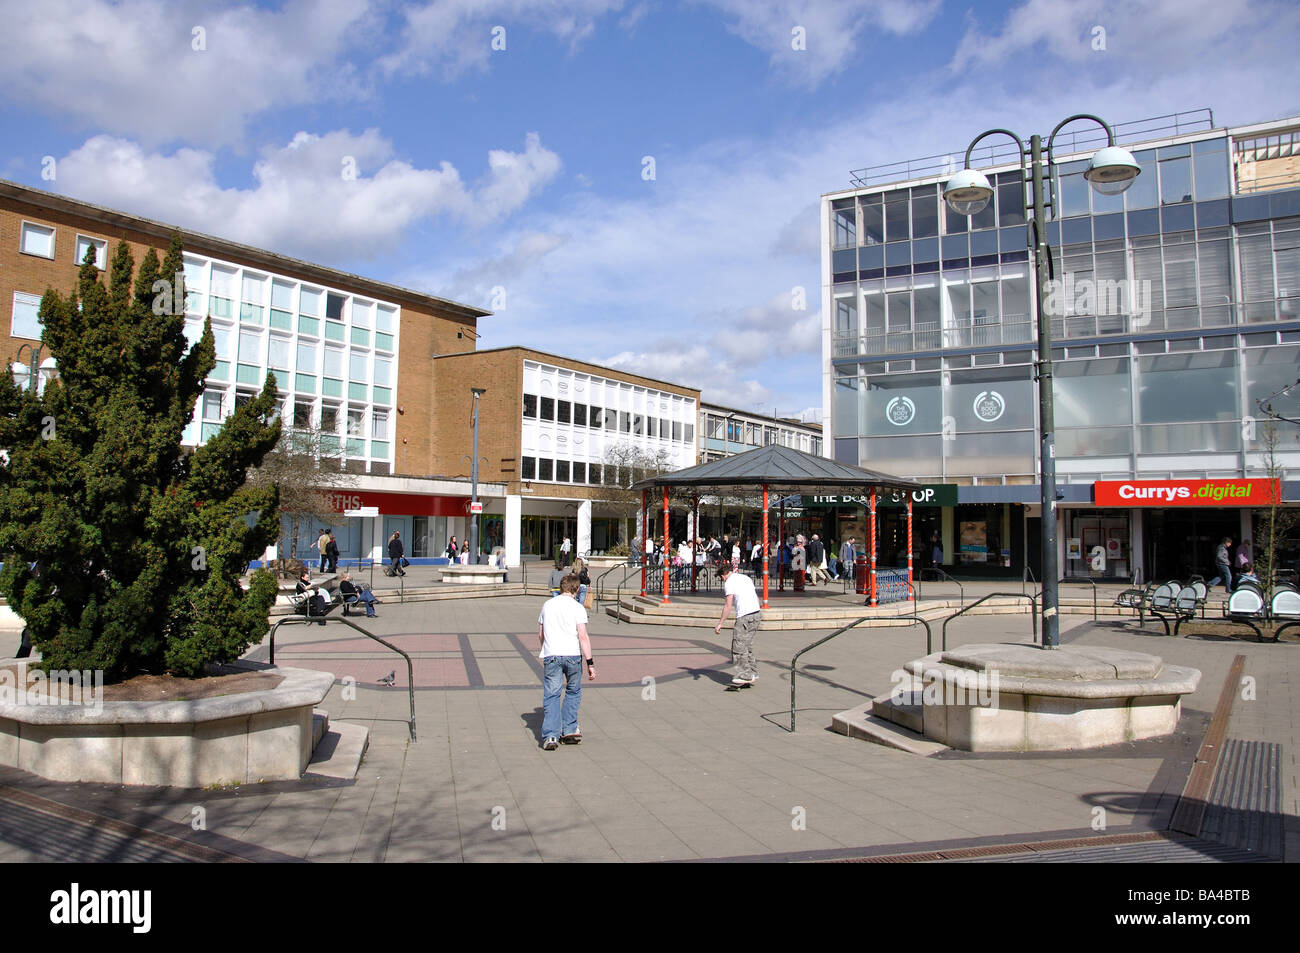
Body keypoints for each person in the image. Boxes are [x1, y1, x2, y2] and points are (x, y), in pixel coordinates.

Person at [537, 573, 596, 749]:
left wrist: (546, 649)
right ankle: (569, 728)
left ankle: (551, 736)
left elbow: (541, 633)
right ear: (576, 589)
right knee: (573, 691)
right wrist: (590, 662)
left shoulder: (547, 605)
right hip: (572, 655)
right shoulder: (578, 608)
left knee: (552, 694)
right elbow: (583, 636)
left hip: (552, 654)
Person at [714, 563, 761, 687]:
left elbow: (728, 605)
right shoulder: (746, 578)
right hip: (756, 613)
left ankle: (744, 674)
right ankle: (753, 672)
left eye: (721, 578)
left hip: (744, 615)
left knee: (738, 646)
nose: (722, 580)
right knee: (747, 645)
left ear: (723, 575)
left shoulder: (729, 583)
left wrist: (720, 623)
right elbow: (756, 597)